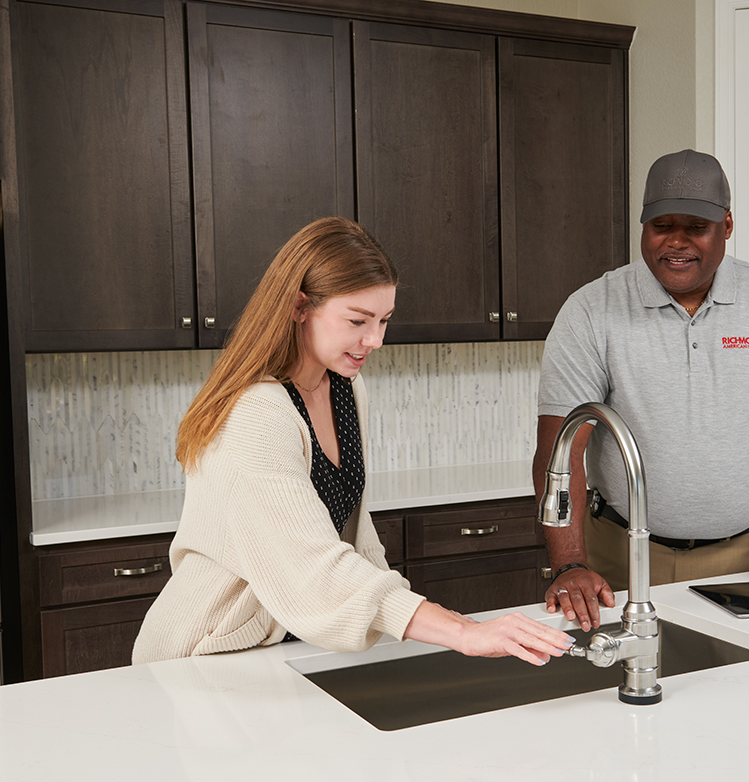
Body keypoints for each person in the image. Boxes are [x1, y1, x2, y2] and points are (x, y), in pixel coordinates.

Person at [134, 217, 572, 666]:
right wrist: (459, 632)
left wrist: (432, 621)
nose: (376, 339)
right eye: (358, 320)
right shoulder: (256, 414)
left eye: (384, 319)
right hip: (202, 651)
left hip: (281, 644)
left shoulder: (344, 387)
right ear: (298, 306)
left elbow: (357, 545)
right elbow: (313, 567)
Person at [534, 150, 749, 632]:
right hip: (618, 556)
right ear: (643, 226)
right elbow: (559, 451)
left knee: (742, 695)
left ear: (726, 225)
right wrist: (568, 564)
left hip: (744, 557)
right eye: (662, 225)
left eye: (696, 227)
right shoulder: (591, 311)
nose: (677, 243)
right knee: (621, 693)